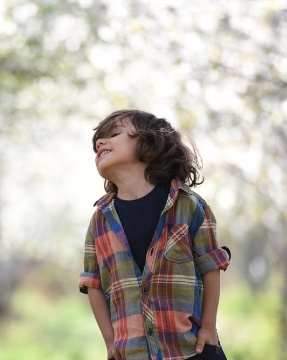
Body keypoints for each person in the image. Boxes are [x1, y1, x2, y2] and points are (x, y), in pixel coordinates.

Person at [78, 110, 231, 360]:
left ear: (149, 144)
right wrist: (110, 341)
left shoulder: (189, 205)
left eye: (114, 134)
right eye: (98, 142)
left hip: (192, 350)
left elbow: (211, 265)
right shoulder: (99, 221)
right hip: (133, 353)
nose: (100, 143)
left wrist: (208, 327)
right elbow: (92, 283)